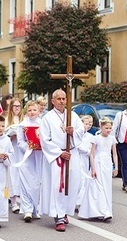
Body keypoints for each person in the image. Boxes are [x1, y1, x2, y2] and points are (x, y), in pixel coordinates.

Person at [39, 89, 84, 232]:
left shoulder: (73, 116)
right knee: (58, 185)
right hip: (57, 156)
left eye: (64, 98)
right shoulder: (47, 118)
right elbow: (44, 139)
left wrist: (73, 132)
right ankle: (58, 216)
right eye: (59, 99)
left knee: (72, 184)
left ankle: (64, 211)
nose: (62, 101)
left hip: (72, 153)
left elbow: (81, 131)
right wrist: (59, 153)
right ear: (53, 101)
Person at [78, 117, 118, 221]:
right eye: (106, 128)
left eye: (110, 128)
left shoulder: (112, 139)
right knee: (99, 186)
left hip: (107, 164)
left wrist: (116, 167)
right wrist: (93, 168)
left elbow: (114, 154)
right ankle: (104, 212)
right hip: (98, 162)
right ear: (101, 127)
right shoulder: (96, 138)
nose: (108, 130)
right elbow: (92, 154)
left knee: (106, 187)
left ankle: (104, 210)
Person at [16, 101, 43, 222]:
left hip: (39, 156)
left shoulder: (43, 124)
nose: (32, 112)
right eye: (29, 110)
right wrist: (28, 146)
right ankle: (27, 210)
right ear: (26, 111)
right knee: (26, 182)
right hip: (27, 157)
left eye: (34, 110)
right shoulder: (22, 125)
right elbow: (19, 142)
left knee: (37, 183)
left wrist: (41, 145)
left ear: (39, 111)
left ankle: (35, 209)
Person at [5, 98, 24, 214]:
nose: (17, 108)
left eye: (18, 106)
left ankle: (22, 200)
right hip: (12, 149)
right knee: (12, 174)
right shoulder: (7, 120)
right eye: (15, 106)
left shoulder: (24, 120)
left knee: (21, 174)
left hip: (21, 150)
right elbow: (3, 137)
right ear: (11, 107)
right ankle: (13, 202)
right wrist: (12, 135)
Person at [75, 115, 94, 210]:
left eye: (90, 124)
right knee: (78, 179)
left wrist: (90, 151)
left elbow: (93, 147)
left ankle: (81, 201)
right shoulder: (78, 134)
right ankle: (76, 201)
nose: (88, 125)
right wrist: (87, 151)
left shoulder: (90, 136)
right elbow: (77, 146)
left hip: (85, 159)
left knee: (84, 179)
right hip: (78, 157)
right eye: (86, 124)